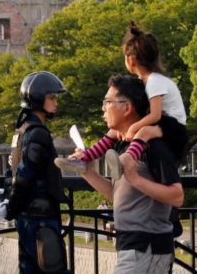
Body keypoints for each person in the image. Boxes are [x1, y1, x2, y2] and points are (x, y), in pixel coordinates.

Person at [69, 75, 183, 273]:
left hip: (147, 246)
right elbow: (119, 195)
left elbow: (177, 196)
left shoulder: (154, 146)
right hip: (131, 244)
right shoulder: (123, 146)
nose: (103, 108)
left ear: (127, 107)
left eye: (107, 102)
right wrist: (86, 171)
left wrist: (135, 179)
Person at [57, 22, 188, 180]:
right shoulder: (146, 80)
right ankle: (85, 157)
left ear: (131, 59)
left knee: (144, 131)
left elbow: (156, 115)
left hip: (174, 128)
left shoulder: (154, 81)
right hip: (165, 124)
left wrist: (133, 128)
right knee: (115, 131)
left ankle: (126, 161)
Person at [0, 71, 71, 274]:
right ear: (38, 100)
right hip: (41, 218)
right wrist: (11, 205)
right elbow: (24, 174)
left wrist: (8, 200)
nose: (56, 102)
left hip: (28, 216)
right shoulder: (37, 133)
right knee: (51, 267)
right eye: (51, 97)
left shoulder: (22, 130)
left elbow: (12, 170)